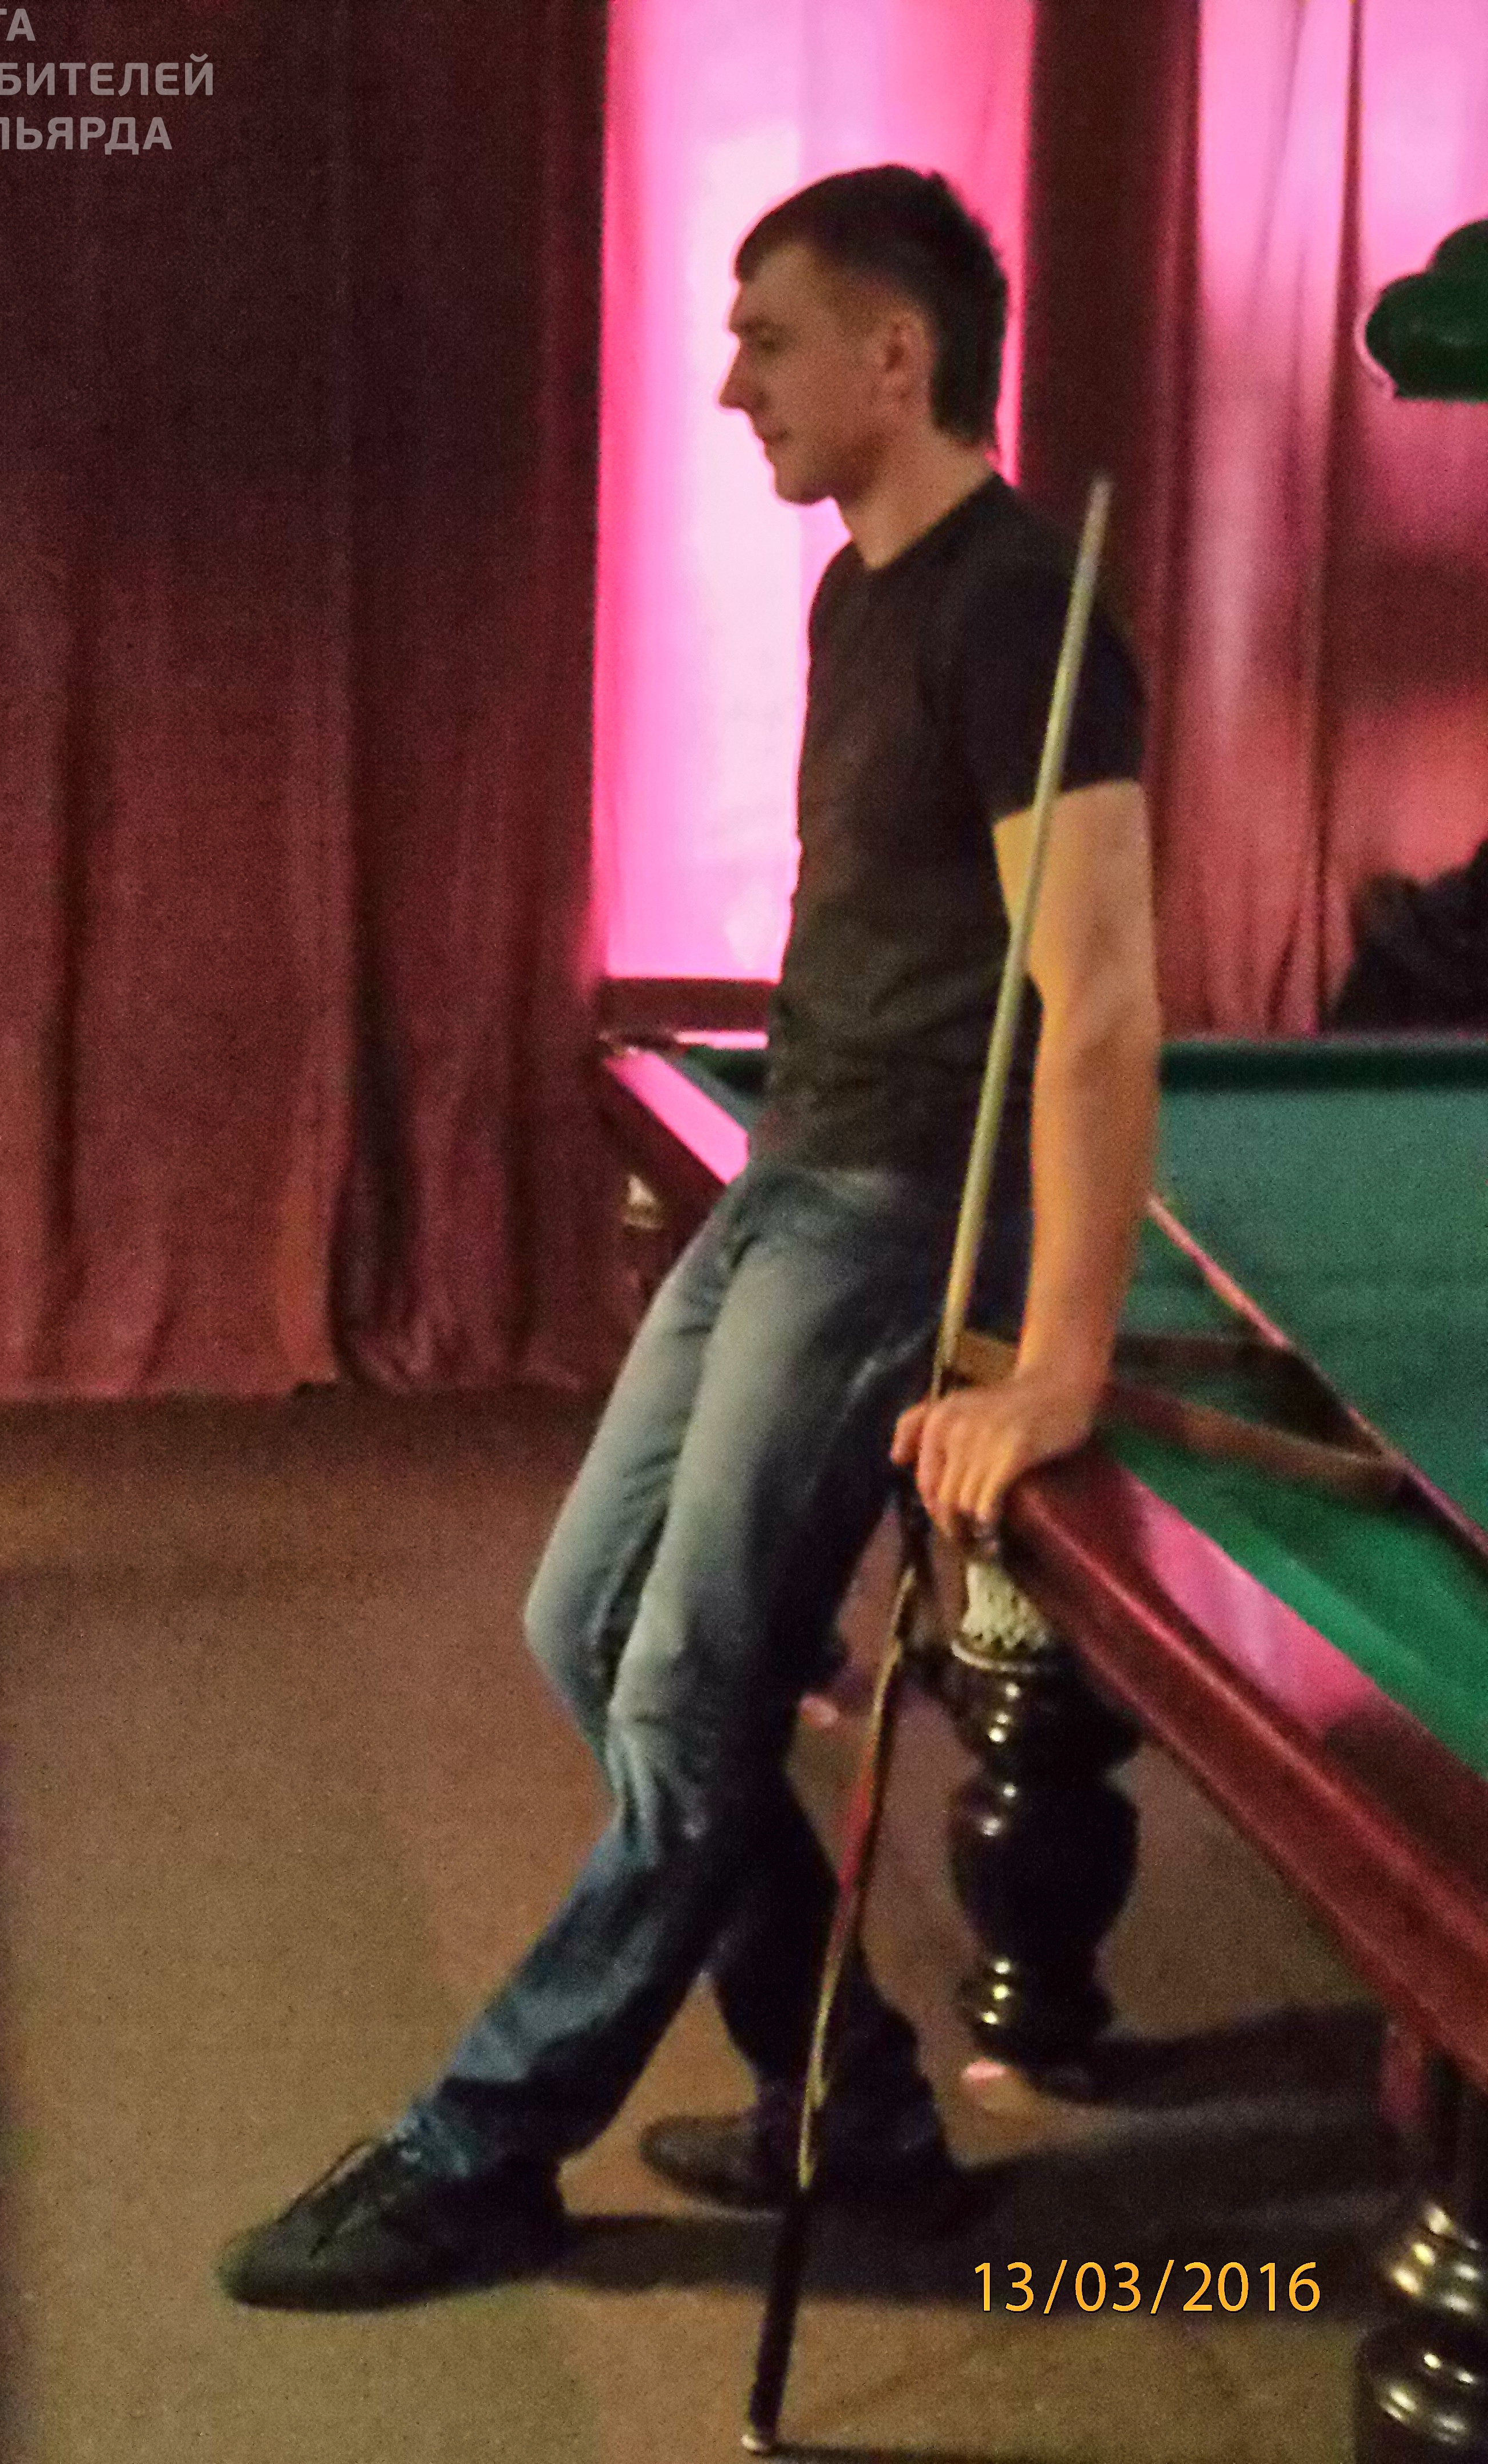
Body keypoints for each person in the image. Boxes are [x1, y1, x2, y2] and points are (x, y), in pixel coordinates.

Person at [218, 164, 1162, 2310]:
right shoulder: (860, 597)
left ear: (896, 358)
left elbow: (1102, 1000)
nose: (735, 385)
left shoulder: (1024, 606)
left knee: (682, 1688)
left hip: (903, 1209)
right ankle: (854, 2106)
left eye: (766, 340)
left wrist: (1058, 1360)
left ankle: (480, 2147)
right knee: (590, 1628)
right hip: (795, 1170)